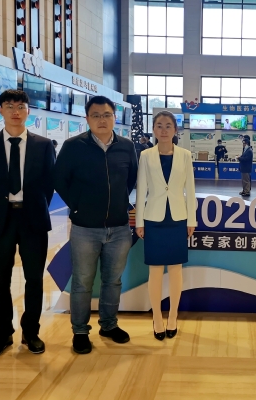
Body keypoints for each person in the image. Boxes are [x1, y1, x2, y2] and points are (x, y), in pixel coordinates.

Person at [53, 95, 138, 355]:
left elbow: (132, 179)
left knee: (113, 281)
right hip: (85, 228)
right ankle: (80, 331)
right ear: (87, 118)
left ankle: (109, 325)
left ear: (114, 117)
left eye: (107, 115)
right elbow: (60, 179)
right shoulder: (73, 146)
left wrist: (119, 204)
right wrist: (77, 206)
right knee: (82, 282)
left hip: (119, 228)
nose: (102, 120)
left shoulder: (126, 146)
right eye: (96, 115)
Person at [0, 89, 55, 359]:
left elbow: (48, 184)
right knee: (0, 280)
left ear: (28, 111)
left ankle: (31, 333)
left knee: (34, 279)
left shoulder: (44, 145)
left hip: (33, 219)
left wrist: (34, 205)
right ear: (0, 110)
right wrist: (1, 206)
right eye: (9, 106)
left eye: (20, 106)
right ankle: (2, 335)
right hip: (2, 220)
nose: (15, 111)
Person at [136, 111, 196, 341]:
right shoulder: (146, 155)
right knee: (155, 271)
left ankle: (172, 317)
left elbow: (190, 189)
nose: (163, 130)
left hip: (178, 218)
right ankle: (157, 319)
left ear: (175, 130)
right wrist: (139, 221)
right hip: (153, 218)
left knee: (176, 270)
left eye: (168, 125)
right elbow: (141, 190)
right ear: (153, 129)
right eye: (159, 125)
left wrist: (191, 220)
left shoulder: (185, 155)